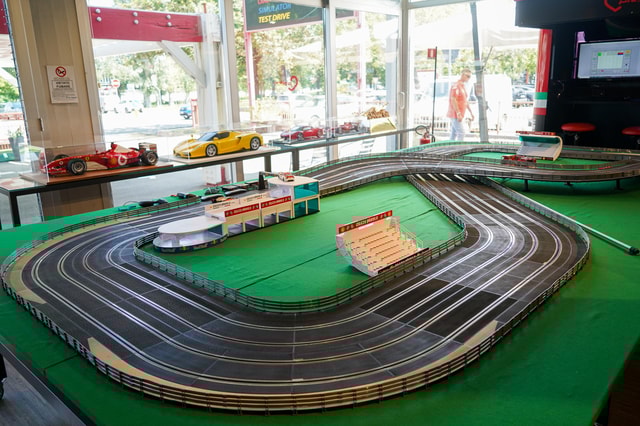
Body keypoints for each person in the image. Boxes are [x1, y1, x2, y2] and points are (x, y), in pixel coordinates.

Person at [447, 68, 475, 141]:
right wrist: (458, 113)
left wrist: (471, 112)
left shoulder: (462, 86)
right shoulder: (456, 86)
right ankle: (458, 147)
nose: (469, 78)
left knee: (454, 133)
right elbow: (453, 99)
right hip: (455, 114)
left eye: (470, 77)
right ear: (462, 75)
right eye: (467, 76)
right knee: (461, 133)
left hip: (458, 114)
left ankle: (451, 146)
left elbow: (465, 101)